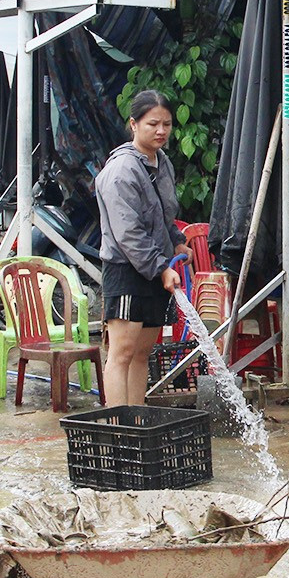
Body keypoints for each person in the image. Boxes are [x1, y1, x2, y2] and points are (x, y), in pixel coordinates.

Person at [96, 90, 193, 407]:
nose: (161, 131)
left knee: (142, 353)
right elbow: (129, 234)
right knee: (121, 352)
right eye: (153, 123)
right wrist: (161, 268)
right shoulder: (121, 171)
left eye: (166, 124)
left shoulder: (162, 163)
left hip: (156, 269)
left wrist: (177, 239)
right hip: (127, 270)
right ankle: (117, 426)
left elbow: (162, 215)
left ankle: (136, 418)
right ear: (134, 124)